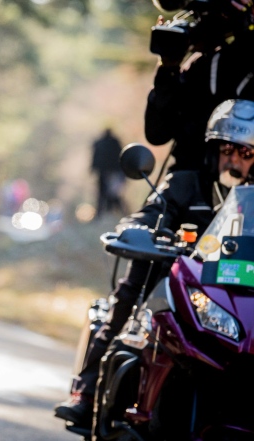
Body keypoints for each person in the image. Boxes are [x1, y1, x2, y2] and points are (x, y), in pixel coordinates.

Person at [54, 98, 254, 429]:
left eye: (245, 153)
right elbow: (152, 210)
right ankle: (86, 394)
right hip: (169, 276)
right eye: (226, 149)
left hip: (226, 293)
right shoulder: (186, 183)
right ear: (213, 150)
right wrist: (142, 228)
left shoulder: (253, 202)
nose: (233, 159)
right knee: (127, 297)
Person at [144, 4, 254, 175]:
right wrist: (167, 69)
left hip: (246, 186)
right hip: (191, 181)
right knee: (158, 202)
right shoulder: (199, 67)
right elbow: (157, 133)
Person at [90, 128, 126, 218]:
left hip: (107, 173)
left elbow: (95, 158)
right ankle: (116, 214)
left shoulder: (100, 143)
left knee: (109, 195)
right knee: (110, 194)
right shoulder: (114, 143)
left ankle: (109, 214)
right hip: (109, 173)